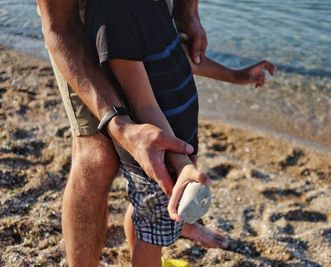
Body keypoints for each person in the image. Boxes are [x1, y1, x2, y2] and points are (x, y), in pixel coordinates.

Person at [36, 0, 228, 266]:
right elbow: (60, 29)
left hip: (172, 120)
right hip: (84, 24)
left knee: (152, 205)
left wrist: (188, 13)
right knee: (99, 158)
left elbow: (181, 57)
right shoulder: (113, 19)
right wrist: (120, 125)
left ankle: (173, 223)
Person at [84, 0, 275, 264]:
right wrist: (181, 162)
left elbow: (179, 57)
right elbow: (144, 105)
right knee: (153, 234)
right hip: (158, 151)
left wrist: (236, 75)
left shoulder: (157, 4)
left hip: (179, 140)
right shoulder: (115, 17)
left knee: (146, 213)